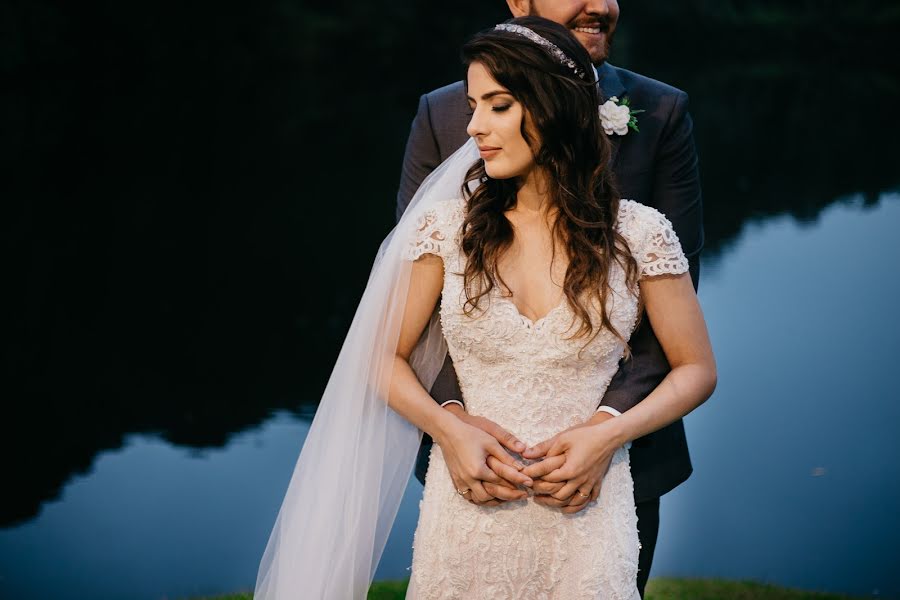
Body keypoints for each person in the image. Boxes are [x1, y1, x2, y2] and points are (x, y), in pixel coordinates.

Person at [397, 2, 704, 594]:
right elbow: (400, 320)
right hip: (472, 473)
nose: (474, 128)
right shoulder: (446, 204)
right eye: (473, 107)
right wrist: (451, 424)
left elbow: (683, 339)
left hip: (603, 476)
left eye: (499, 106)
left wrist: (607, 431)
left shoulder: (656, 140)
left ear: (554, 108)